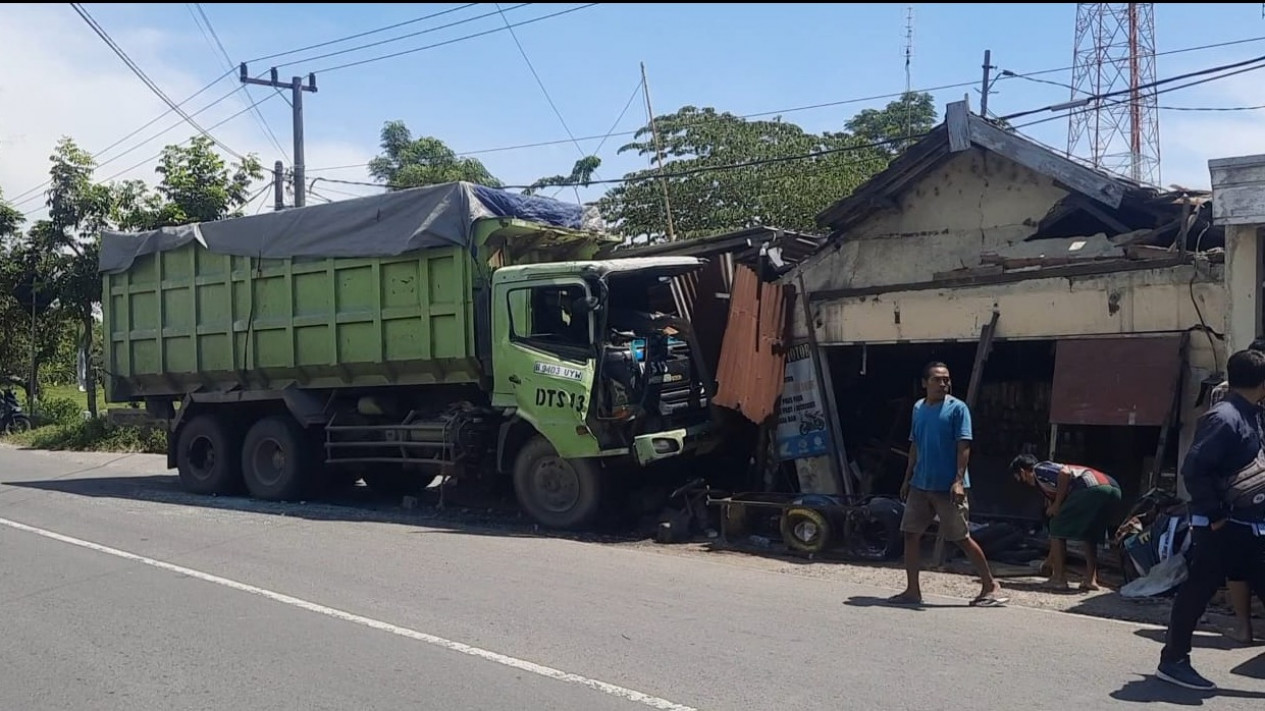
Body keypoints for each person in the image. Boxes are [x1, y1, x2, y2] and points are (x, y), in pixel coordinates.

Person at [1156, 348, 1265, 690]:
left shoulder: (1252, 415)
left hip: (1249, 526)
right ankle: (1173, 660)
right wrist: (1215, 514)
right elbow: (1194, 469)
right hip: (1221, 527)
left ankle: (1173, 657)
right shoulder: (1226, 417)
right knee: (1199, 590)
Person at [890, 362, 1008, 608]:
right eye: (938, 379)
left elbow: (963, 446)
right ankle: (913, 590)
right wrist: (906, 478)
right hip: (921, 483)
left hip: (948, 486)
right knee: (911, 534)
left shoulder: (957, 408)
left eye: (946, 379)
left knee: (961, 537)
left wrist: (958, 481)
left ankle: (990, 585)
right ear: (925, 383)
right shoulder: (918, 408)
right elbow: (915, 445)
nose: (944, 383)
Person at [1207, 337, 1265, 644]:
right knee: (1243, 559)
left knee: (1239, 562)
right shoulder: (1236, 397)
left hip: (1233, 488)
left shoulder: (1222, 393)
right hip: (1248, 485)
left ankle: (1244, 627)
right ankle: (1244, 626)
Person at [1009, 454, 1122, 591]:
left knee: (1056, 524)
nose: (1023, 482)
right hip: (1112, 488)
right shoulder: (1050, 488)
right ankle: (1090, 580)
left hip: (1090, 487)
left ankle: (1059, 579)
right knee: (1089, 533)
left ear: (1022, 472)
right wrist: (1049, 562)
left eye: (1020, 478)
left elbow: (1064, 472)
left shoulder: (1040, 469)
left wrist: (1056, 505)